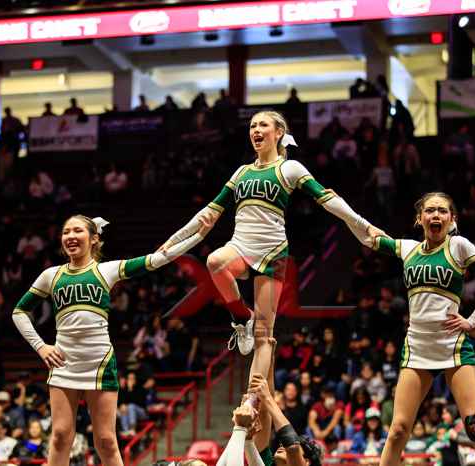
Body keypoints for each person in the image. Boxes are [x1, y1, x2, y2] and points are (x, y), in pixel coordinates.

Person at [159, 109, 382, 390]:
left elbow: (328, 200)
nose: (255, 129)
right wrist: (174, 239)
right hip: (240, 246)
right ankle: (242, 317)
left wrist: (365, 226)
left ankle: (253, 398)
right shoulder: (242, 172)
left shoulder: (290, 168)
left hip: (274, 252)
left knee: (264, 336)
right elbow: (208, 212)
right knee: (215, 261)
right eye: (252, 125)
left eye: (263, 124)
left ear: (278, 133)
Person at [12, 215, 207, 466]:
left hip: (99, 363)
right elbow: (19, 312)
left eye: (78, 231)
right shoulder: (51, 275)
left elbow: (156, 260)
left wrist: (198, 236)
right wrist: (40, 347)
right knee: (60, 437)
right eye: (66, 232)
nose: (70, 236)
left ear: (94, 238)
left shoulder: (106, 270)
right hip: (63, 363)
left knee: (105, 440)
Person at [370, 191, 475, 466]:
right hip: (417, 347)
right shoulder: (407, 248)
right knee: (398, 430)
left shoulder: (459, 245)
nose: (436, 215)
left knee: (474, 426)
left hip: (452, 346)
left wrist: (472, 321)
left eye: (442, 211)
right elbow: (368, 237)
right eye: (430, 210)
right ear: (419, 218)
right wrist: (345, 212)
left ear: (452, 219)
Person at [250, 373, 323, 466]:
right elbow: (264, 413)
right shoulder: (267, 463)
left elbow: (292, 447)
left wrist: (267, 397)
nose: (283, 445)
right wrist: (270, 368)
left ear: (306, 462)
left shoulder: (301, 410)